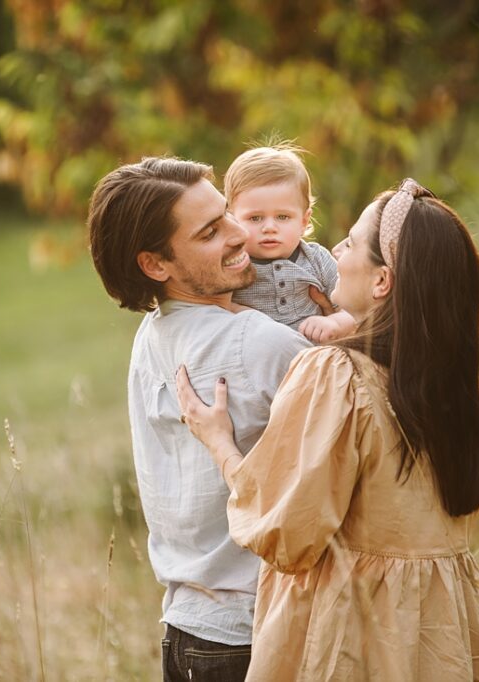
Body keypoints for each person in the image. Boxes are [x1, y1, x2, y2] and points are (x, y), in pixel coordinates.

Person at [176, 179, 479, 680]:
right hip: (443, 639)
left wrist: (221, 444)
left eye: (349, 243)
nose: (333, 251)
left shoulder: (337, 374)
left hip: (357, 635)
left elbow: (288, 533)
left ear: (381, 282)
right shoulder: (450, 388)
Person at [87, 157, 312, 681]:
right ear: (155, 264)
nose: (240, 233)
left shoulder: (153, 333)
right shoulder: (262, 344)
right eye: (211, 232)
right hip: (254, 634)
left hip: (188, 631)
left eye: (227, 214)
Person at [226, 144, 355, 343]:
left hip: (312, 362)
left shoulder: (317, 260)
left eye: (283, 217)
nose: (269, 227)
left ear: (304, 221)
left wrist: (336, 323)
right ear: (232, 219)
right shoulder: (230, 264)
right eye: (255, 218)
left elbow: (358, 309)